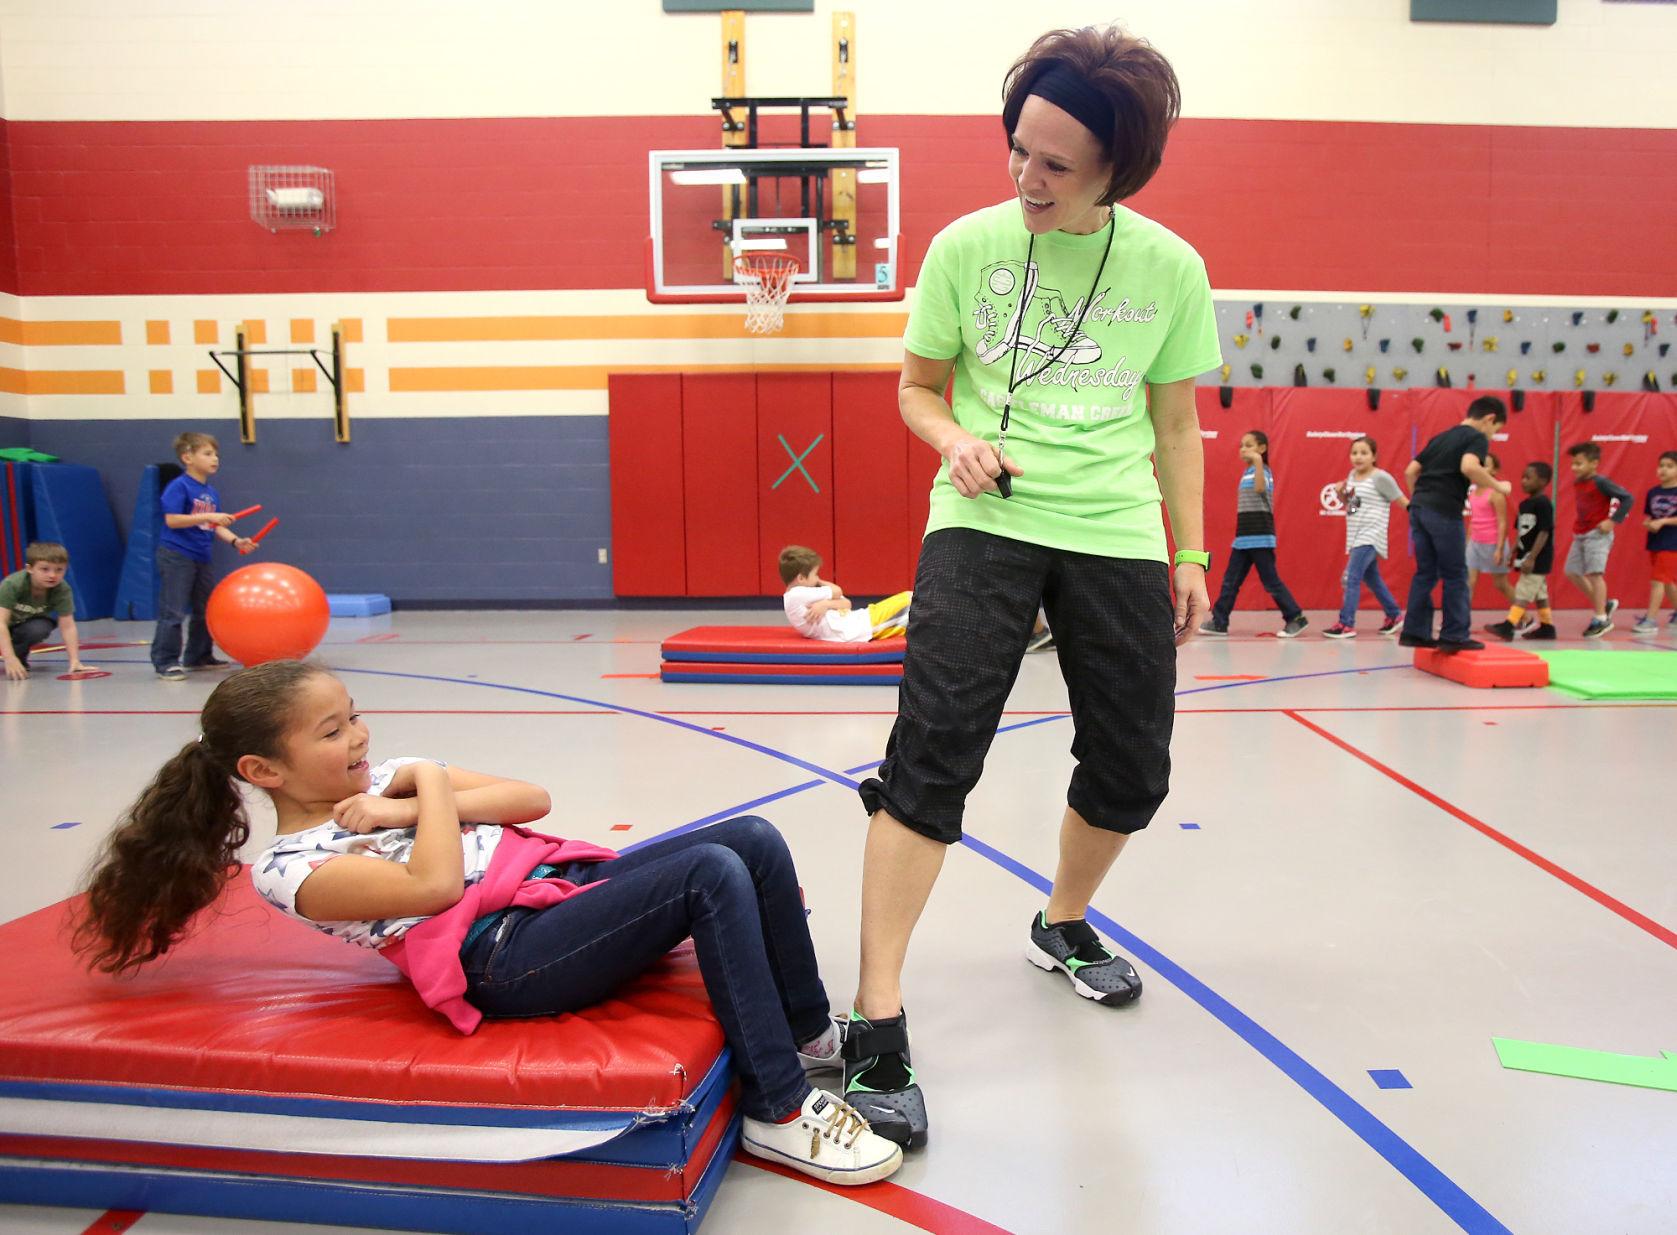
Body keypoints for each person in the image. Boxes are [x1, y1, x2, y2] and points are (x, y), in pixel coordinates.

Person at [73, 661, 902, 1186]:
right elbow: (432, 886)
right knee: (708, 873)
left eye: (356, 715)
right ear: (263, 770)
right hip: (503, 958)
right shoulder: (288, 868)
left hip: (553, 891)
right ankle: (780, 1110)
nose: (361, 737)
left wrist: (408, 789)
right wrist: (427, 788)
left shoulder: (391, 776)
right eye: (332, 731)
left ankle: (800, 1032)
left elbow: (528, 800)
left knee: (749, 839)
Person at [845, 25, 1220, 1150]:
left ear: (1118, 169)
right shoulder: (967, 246)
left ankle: (1063, 921)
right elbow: (917, 387)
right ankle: (875, 1012)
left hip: (1114, 525)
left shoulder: (1170, 267)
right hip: (985, 512)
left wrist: (1191, 554)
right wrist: (952, 433)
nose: (1027, 178)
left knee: (1133, 764)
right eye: (1019, 150)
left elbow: (1173, 423)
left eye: (1056, 164)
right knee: (936, 745)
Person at [1399, 396, 1512, 652]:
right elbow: (1469, 466)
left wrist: (1419, 499)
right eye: (1495, 430)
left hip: (1419, 508)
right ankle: (1454, 635)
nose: (1492, 437)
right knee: (1456, 574)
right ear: (1489, 419)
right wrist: (1498, 486)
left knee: (1425, 573)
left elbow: (1410, 471)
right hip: (1444, 510)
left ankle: (1415, 632)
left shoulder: (1441, 437)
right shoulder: (1476, 438)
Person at [150, 432, 257, 681]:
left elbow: (215, 525)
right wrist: (209, 517)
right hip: (176, 554)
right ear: (188, 457)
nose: (215, 459)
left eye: (216, 454)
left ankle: (197, 656)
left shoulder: (210, 492)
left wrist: (235, 540)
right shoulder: (180, 486)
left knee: (205, 609)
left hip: (201, 555)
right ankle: (165, 661)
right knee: (173, 611)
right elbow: (172, 520)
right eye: (207, 454)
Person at [1200, 430, 1307, 637]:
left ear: (1262, 449)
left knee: (1270, 581)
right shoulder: (1247, 472)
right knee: (1231, 581)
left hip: (1260, 538)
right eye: (1241, 445)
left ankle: (1295, 617)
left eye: (1249, 445)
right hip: (1243, 539)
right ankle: (1219, 622)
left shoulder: (1263, 471)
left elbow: (1260, 489)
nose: (1243, 449)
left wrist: (1258, 462)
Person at [1321, 436, 1407, 639]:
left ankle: (1346, 623)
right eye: (1354, 453)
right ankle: (1394, 615)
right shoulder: (1352, 475)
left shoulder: (1381, 477)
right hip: (1356, 534)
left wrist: (1419, 513)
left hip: (1371, 534)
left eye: (1364, 453)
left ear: (1374, 456)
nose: (1358, 457)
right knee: (1372, 578)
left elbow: (1401, 500)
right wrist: (1342, 494)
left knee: (1350, 578)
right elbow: (1352, 506)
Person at [1561, 441, 1633, 638]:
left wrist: (1612, 521)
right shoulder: (1578, 483)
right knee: (1571, 572)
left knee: (1595, 574)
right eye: (1573, 463)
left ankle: (1602, 618)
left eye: (1580, 463)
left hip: (1597, 535)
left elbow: (1627, 498)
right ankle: (1605, 603)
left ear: (1594, 464)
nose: (1575, 467)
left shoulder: (1601, 482)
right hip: (1580, 534)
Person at [779, 545, 912, 642]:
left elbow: (846, 604)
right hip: (857, 628)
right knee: (909, 599)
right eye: (815, 574)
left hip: (860, 619)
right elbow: (837, 591)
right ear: (801, 578)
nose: (817, 578)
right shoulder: (796, 595)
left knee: (909, 608)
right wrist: (824, 596)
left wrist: (825, 604)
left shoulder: (807, 592)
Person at [1485, 462, 1557, 641]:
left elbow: (1544, 531)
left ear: (1543, 481)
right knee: (1540, 593)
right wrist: (1514, 551)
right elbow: (1522, 533)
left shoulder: (1543, 504)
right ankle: (1547, 626)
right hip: (1526, 555)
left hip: (1538, 557)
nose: (1523, 481)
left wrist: (1532, 557)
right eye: (1522, 477)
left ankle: (1509, 625)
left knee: (1523, 591)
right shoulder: (1525, 504)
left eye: (1528, 478)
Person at [0, 541, 90, 680]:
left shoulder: (62, 589)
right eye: (45, 569)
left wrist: (74, 660)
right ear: (29, 569)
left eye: (59, 570)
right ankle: (14, 658)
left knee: (38, 628)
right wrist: (9, 658)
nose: (52, 575)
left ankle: (19, 658)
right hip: (4, 624)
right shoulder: (12, 585)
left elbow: (68, 626)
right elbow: (1, 623)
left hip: (21, 626)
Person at [1631, 450, 1677, 635]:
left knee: (1658, 581)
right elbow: (1650, 514)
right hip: (1656, 541)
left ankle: (1650, 620)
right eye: (1661, 466)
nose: (1663, 470)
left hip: (1672, 543)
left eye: (1669, 466)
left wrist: (1664, 522)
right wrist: (1649, 522)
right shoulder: (1653, 492)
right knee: (1668, 582)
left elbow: (1666, 519)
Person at [1464, 453, 1515, 610]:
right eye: (1478, 465)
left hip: (1493, 544)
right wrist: (1468, 543)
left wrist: (1499, 549)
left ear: (1494, 470)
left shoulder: (1495, 493)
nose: (1480, 468)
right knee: (1468, 582)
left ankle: (1524, 616)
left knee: (1500, 583)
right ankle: (1459, 621)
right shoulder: (1472, 493)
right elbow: (1474, 520)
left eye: (1485, 465)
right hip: (1475, 544)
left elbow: (1502, 522)